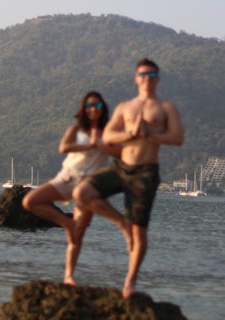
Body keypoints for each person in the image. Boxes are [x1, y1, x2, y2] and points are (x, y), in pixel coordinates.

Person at [73, 58, 185, 298]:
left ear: (158, 78)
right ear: (136, 78)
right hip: (121, 166)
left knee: (140, 232)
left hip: (146, 172)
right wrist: (130, 133)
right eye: (143, 74)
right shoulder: (125, 107)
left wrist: (150, 133)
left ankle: (130, 283)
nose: (147, 79)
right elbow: (109, 136)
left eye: (152, 75)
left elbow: (177, 137)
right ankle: (120, 222)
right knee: (81, 193)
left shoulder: (166, 108)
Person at [22, 91, 121, 285]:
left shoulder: (109, 131)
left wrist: (102, 144)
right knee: (30, 201)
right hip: (67, 178)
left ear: (103, 109)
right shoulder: (76, 130)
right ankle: (66, 223)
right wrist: (90, 145)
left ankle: (69, 276)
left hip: (89, 186)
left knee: (79, 233)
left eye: (98, 105)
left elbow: (120, 151)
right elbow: (64, 147)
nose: (94, 109)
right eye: (90, 105)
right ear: (84, 109)